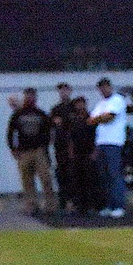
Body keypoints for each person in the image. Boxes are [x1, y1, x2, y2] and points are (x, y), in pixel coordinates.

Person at [6, 87, 56, 214]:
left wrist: (45, 146)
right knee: (27, 180)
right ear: (24, 97)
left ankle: (50, 205)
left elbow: (50, 130)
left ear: (35, 98)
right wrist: (13, 148)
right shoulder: (18, 114)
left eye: (32, 96)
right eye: (28, 96)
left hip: (39, 151)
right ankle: (31, 205)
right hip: (24, 152)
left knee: (46, 178)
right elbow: (10, 132)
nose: (30, 98)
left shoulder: (41, 114)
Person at [89, 77, 128, 218]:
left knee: (114, 174)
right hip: (101, 142)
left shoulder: (117, 100)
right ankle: (108, 205)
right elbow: (91, 120)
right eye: (101, 88)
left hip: (114, 142)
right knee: (104, 176)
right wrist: (101, 117)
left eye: (105, 87)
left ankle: (119, 205)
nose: (104, 90)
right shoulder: (101, 103)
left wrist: (100, 118)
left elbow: (109, 117)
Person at [50, 82, 78, 211]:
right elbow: (51, 127)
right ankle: (63, 202)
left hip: (74, 147)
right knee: (61, 174)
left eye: (66, 90)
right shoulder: (55, 109)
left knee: (73, 174)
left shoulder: (75, 108)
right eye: (61, 91)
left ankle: (74, 201)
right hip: (60, 147)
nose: (64, 93)